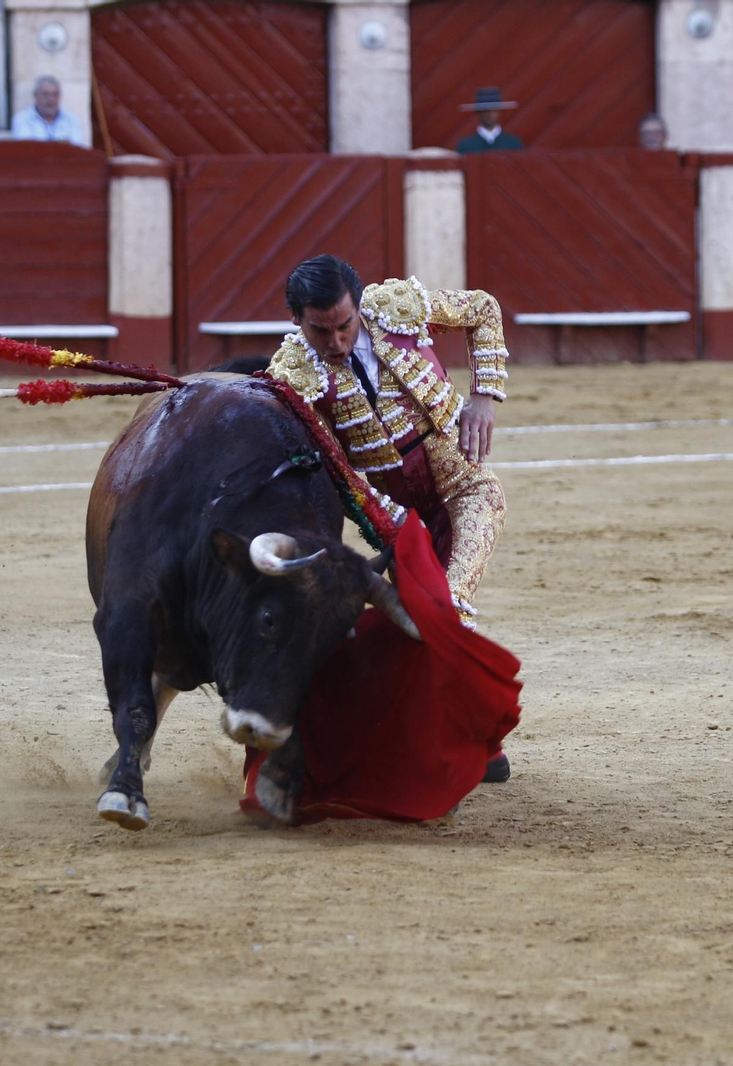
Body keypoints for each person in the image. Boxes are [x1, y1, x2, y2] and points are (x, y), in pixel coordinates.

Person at [263, 255, 512, 779]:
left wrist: (484, 396)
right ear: (296, 321)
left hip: (467, 490)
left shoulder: (398, 306)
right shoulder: (295, 376)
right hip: (395, 518)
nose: (335, 341)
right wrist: (393, 530)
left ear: (359, 306)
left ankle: (468, 742)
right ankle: (477, 746)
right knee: (418, 622)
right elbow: (338, 472)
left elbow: (484, 309)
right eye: (320, 330)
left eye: (345, 325)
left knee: (450, 605)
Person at [11, 75, 89, 147]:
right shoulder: (22, 120)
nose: (51, 99)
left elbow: (77, 150)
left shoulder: (71, 120)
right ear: (35, 96)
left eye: (55, 94)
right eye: (46, 94)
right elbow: (26, 149)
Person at [455, 87, 524, 154]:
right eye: (485, 110)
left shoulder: (513, 144)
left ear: (499, 111)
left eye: (493, 109)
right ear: (478, 112)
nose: (489, 114)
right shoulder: (466, 146)